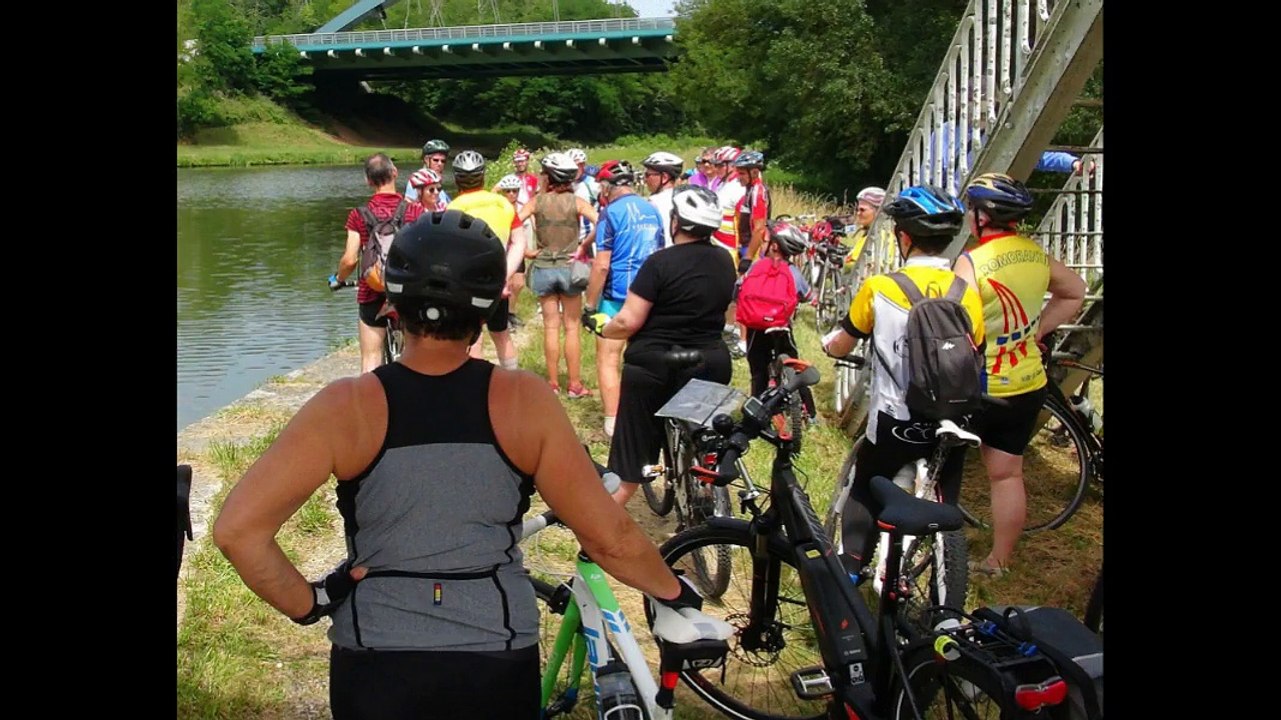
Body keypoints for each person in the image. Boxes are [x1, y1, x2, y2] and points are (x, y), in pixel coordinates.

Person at [212, 210, 706, 719]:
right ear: (488, 310)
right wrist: (674, 593)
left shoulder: (345, 406)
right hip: (494, 655)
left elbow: (238, 531)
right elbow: (610, 539)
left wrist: (309, 601)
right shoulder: (524, 401)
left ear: (393, 305)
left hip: (375, 658)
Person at [820, 185, 985, 583]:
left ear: (904, 236)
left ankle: (852, 569)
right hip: (955, 418)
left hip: (896, 419)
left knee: (866, 483)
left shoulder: (881, 287)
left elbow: (842, 343)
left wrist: (829, 344)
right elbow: (975, 349)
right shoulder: (967, 292)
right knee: (943, 491)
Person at [952, 172, 1086, 576]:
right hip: (1028, 381)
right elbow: (1076, 291)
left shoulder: (973, 260)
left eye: (970, 209)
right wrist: (1038, 328)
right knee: (1007, 474)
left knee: (943, 467)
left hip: (982, 382)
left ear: (980, 216)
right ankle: (1000, 560)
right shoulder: (1035, 255)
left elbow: (958, 322)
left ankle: (939, 553)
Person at [582, 185, 736, 506]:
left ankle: (596, 538)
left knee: (630, 465)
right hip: (710, 360)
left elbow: (628, 322)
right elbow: (726, 311)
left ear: (676, 222)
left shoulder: (659, 263)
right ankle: (708, 489)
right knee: (704, 437)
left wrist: (603, 327)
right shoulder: (725, 260)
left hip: (657, 365)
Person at [580, 160, 663, 438]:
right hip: (650, 295)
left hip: (618, 296)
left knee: (608, 359)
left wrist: (589, 306)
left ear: (606, 186)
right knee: (645, 360)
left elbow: (601, 265)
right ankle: (648, 416)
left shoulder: (610, 213)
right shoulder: (651, 210)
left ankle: (613, 423)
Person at [329, 152, 425, 373]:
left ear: (368, 181)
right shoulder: (414, 211)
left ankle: (371, 403)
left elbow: (350, 259)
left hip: (372, 292)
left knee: (371, 358)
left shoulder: (358, 215)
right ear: (395, 173)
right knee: (415, 358)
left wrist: (338, 279)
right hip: (407, 292)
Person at [517, 152, 599, 398]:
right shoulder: (576, 202)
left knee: (550, 327)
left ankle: (552, 384)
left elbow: (514, 222)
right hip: (569, 269)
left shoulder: (537, 202)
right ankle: (574, 385)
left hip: (543, 266)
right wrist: (584, 246)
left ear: (549, 177)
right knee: (572, 328)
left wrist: (528, 252)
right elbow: (601, 221)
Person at [446, 150, 528, 370]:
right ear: (483, 176)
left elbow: (450, 250)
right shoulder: (503, 203)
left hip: (468, 283)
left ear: (456, 178)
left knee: (473, 337)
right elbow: (519, 243)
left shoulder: (452, 208)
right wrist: (505, 274)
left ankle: (474, 388)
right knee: (501, 334)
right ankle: (512, 384)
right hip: (497, 279)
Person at [740, 220, 817, 424]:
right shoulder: (794, 273)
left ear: (774, 245)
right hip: (781, 326)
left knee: (758, 372)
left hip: (756, 328)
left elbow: (738, 289)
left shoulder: (757, 268)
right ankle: (810, 414)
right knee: (795, 366)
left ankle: (755, 414)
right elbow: (808, 296)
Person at [495, 173, 529, 327]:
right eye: (508, 191)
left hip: (517, 248)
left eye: (514, 191)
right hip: (504, 248)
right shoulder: (499, 206)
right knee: (506, 282)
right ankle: (503, 316)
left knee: (519, 282)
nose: (511, 194)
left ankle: (511, 312)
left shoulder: (522, 205)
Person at [733, 150, 771, 265]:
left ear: (754, 172)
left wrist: (748, 257)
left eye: (742, 173)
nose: (738, 177)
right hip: (745, 245)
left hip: (753, 250)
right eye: (738, 173)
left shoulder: (758, 192)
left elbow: (759, 228)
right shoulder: (750, 189)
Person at [641, 151, 684, 248]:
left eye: (648, 175)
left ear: (664, 177)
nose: (645, 179)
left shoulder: (654, 202)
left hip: (662, 256)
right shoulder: (684, 197)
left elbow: (647, 240)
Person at [405, 139, 453, 206]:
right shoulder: (416, 181)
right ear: (426, 160)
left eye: (443, 161)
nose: (440, 164)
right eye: (436, 160)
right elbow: (409, 205)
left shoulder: (438, 182)